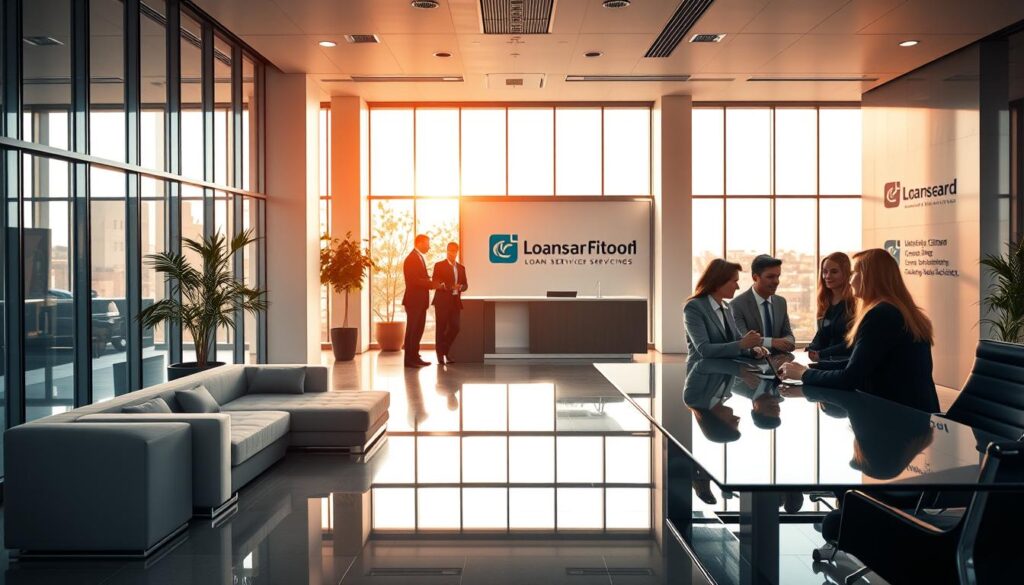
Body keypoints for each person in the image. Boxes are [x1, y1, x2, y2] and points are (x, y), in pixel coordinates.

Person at [779, 248, 939, 413]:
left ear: (869, 278)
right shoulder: (897, 310)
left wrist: (804, 374)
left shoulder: (880, 314)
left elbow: (851, 378)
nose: (850, 280)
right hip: (913, 411)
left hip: (897, 416)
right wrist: (815, 367)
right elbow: (863, 362)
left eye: (854, 273)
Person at [684, 259, 769, 359]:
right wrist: (741, 344)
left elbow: (736, 341)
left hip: (727, 366)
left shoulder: (727, 307)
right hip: (703, 367)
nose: (737, 287)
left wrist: (753, 350)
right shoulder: (694, 307)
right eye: (735, 281)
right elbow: (704, 349)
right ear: (719, 282)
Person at [730, 254, 796, 354]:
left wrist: (788, 342)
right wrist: (772, 342)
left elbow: (789, 335)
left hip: (781, 360)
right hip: (751, 362)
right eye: (770, 277)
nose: (776, 281)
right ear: (755, 278)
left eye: (778, 276)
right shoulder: (737, 305)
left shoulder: (781, 302)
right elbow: (743, 340)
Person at [807, 252, 855, 362]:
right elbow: (822, 334)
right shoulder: (824, 301)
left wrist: (821, 354)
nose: (827, 276)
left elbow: (852, 342)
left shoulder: (855, 303)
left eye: (834, 272)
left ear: (846, 273)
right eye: (825, 272)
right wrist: (812, 348)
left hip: (846, 363)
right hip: (826, 362)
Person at [402, 234, 436, 368]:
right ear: (420, 243)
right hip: (413, 301)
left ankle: (415, 357)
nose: (429, 247)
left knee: (418, 330)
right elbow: (414, 280)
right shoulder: (411, 259)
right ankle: (409, 360)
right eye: (427, 244)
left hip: (420, 301)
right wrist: (431, 283)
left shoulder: (419, 257)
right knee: (412, 330)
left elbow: (422, 277)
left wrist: (432, 281)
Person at [431, 242, 468, 365]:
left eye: (454, 251)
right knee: (440, 328)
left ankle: (444, 350)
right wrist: (450, 286)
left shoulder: (461, 268)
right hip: (442, 302)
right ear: (447, 251)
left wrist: (461, 287)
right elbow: (435, 282)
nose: (452, 253)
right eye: (450, 250)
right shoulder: (439, 265)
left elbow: (466, 285)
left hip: (455, 302)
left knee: (455, 327)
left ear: (457, 252)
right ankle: (440, 356)